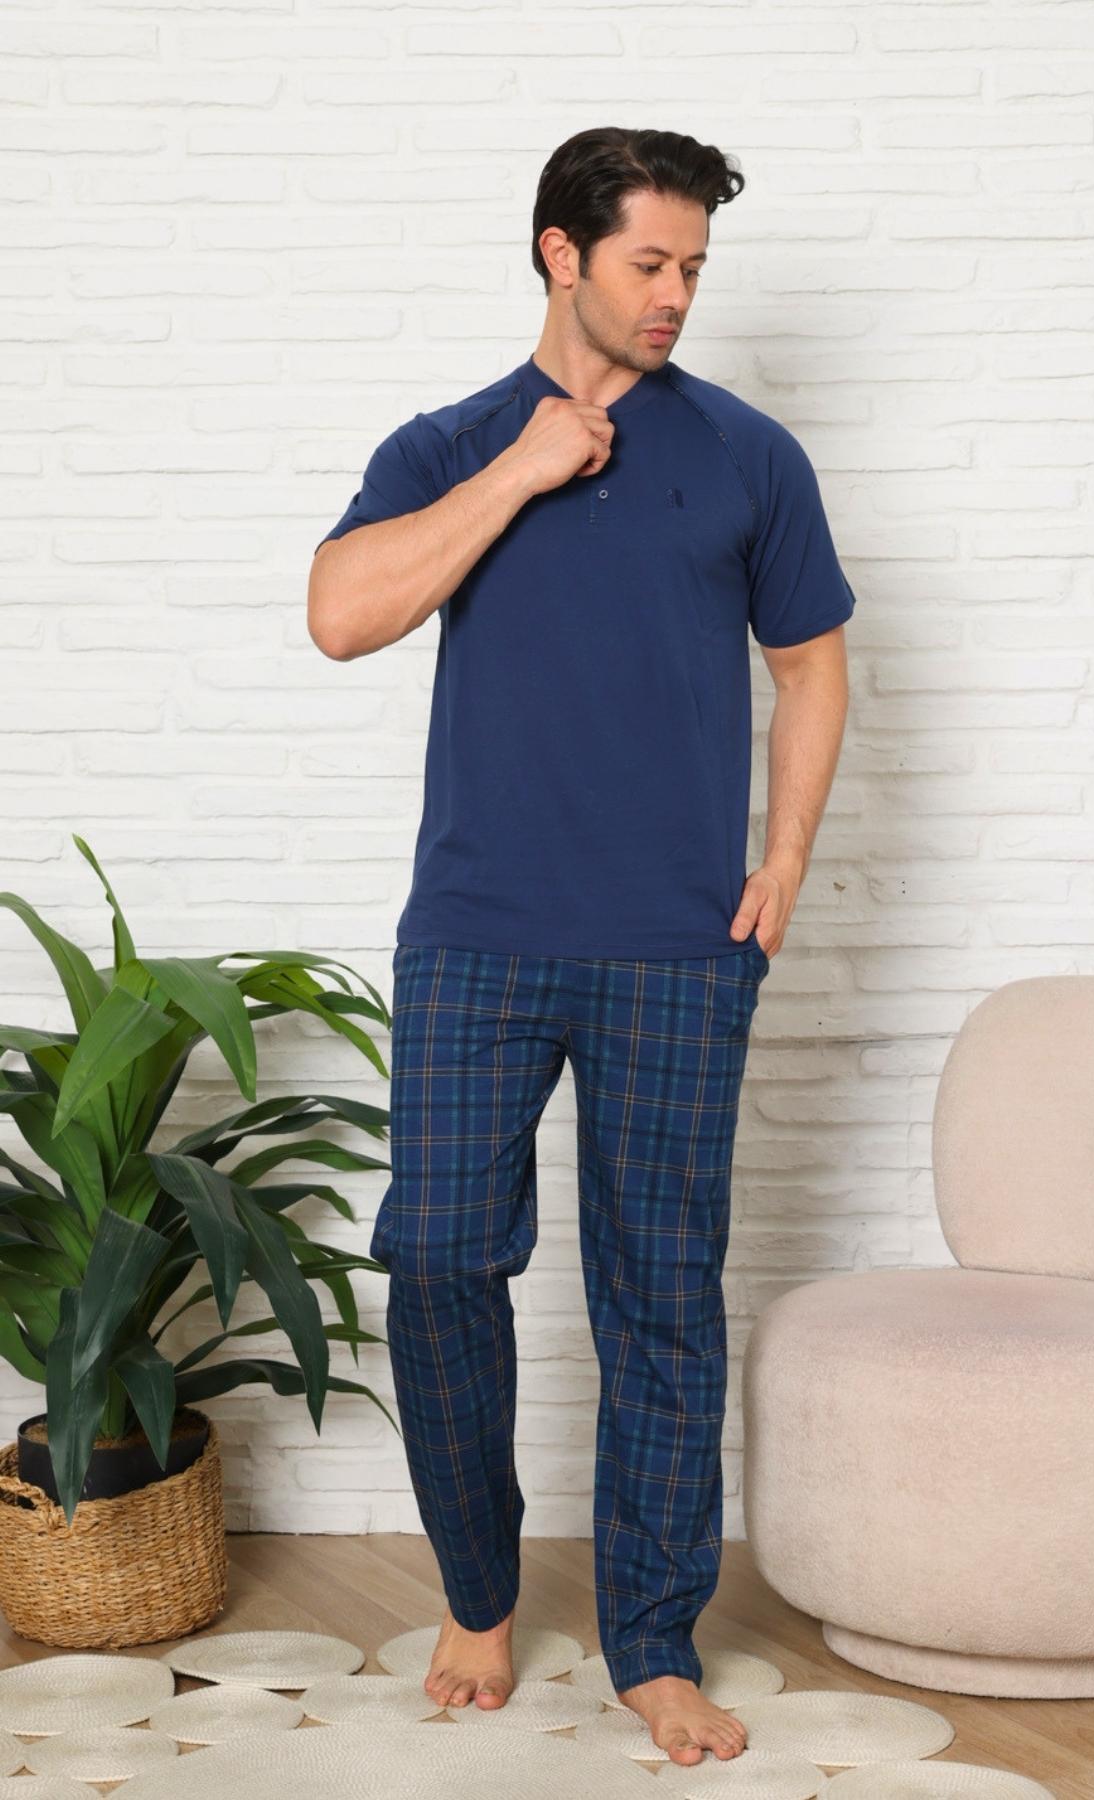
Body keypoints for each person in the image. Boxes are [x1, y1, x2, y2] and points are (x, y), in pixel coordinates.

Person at [308, 126, 854, 1768]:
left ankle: (654, 1642)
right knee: (435, 1261)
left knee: (661, 1302)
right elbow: (342, 614)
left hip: (679, 948)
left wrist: (785, 858)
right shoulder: (449, 443)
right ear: (562, 252)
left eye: (695, 267)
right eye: (650, 261)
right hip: (477, 934)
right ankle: (480, 1594)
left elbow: (812, 662)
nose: (678, 292)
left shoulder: (749, 455)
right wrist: (526, 472)